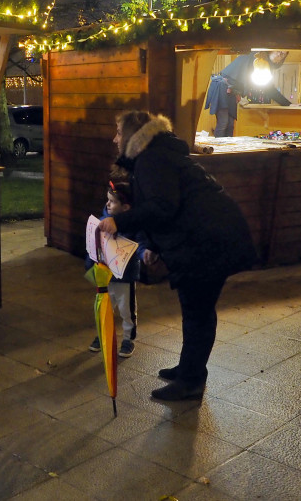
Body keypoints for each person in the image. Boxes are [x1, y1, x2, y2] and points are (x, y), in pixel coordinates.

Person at [99, 110, 256, 401]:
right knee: (195, 308)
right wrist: (155, 248)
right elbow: (170, 204)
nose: (115, 138)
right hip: (208, 237)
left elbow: (162, 206)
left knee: (198, 311)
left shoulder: (151, 159)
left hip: (209, 242)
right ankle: (190, 368)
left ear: (132, 135)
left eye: (119, 133)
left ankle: (191, 380)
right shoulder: (156, 154)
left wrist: (119, 222)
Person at [87, 181, 139, 358]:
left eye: (112, 201)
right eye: (107, 200)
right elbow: (95, 246)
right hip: (106, 276)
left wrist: (146, 251)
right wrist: (91, 266)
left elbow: (140, 244)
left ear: (125, 207)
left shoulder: (133, 226)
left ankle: (127, 339)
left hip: (125, 277)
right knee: (104, 307)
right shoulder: (102, 222)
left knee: (126, 310)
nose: (107, 204)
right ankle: (102, 335)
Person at [204, 50, 290, 136]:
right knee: (223, 123)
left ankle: (227, 147)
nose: (279, 54)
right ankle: (219, 148)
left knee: (230, 125)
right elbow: (268, 88)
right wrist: (287, 104)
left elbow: (267, 87)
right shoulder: (257, 57)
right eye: (278, 51)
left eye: (282, 54)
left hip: (232, 91)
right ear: (270, 50)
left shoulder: (265, 64)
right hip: (222, 86)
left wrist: (288, 104)